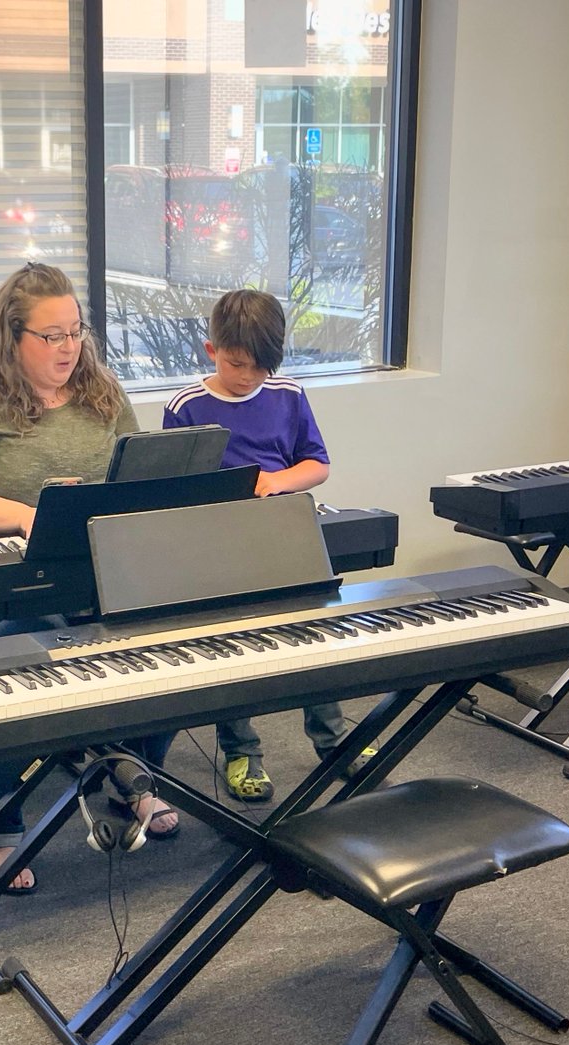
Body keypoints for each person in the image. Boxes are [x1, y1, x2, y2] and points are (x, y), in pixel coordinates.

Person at [0, 263, 177, 893]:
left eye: (76, 332)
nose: (69, 348)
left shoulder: (100, 387)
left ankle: (132, 778)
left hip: (91, 567)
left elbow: (134, 474)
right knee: (19, 647)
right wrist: (33, 516)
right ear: (12, 338)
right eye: (51, 336)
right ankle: (0, 824)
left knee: (168, 630)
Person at [163, 289, 375, 802]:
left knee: (315, 635)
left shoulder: (289, 394)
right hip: (224, 545)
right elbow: (171, 489)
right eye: (238, 364)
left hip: (287, 533)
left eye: (260, 367)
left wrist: (277, 481)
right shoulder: (186, 406)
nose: (249, 377)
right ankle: (242, 753)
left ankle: (334, 739)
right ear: (211, 350)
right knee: (234, 648)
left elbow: (317, 464)